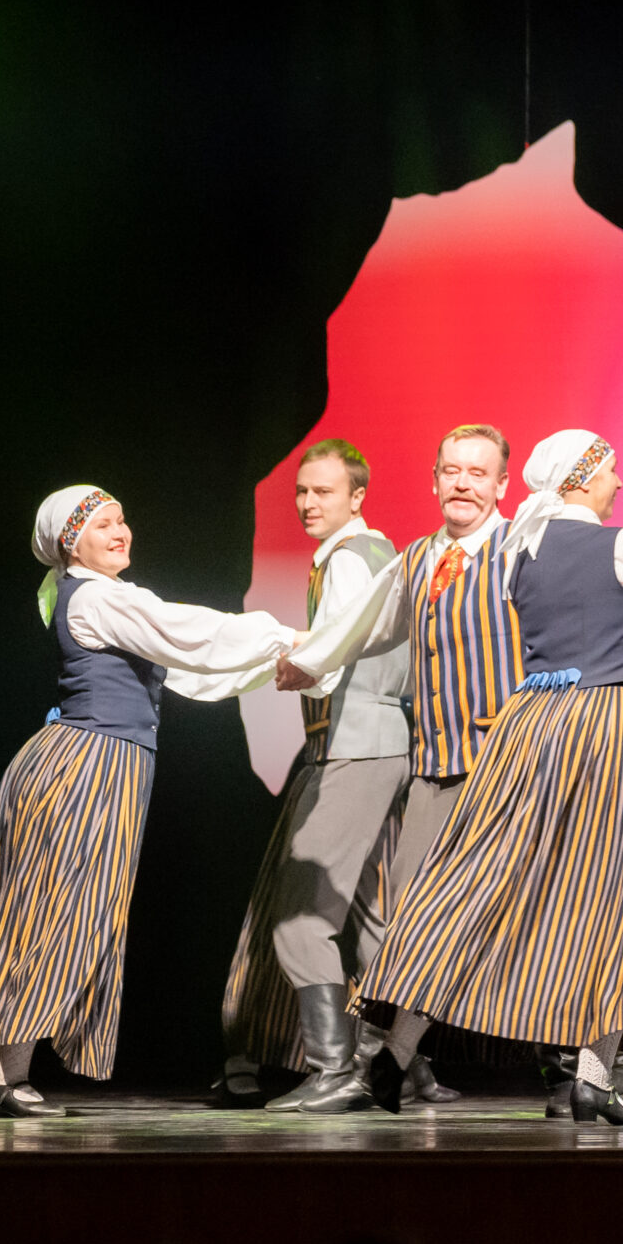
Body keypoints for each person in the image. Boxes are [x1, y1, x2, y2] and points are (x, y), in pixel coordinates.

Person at [342, 430, 623, 1123]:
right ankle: (593, 1079)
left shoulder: (518, 551)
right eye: (611, 470)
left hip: (531, 723)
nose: (621, 483)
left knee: (477, 882)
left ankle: (393, 1055)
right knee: (619, 895)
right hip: (609, 725)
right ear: (583, 477)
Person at [0, 486, 325, 1115]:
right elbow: (190, 632)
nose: (121, 532)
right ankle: (3, 1073)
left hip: (101, 763)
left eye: (122, 520)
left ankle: (4, 1071)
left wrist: (285, 651)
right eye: (103, 525)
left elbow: (190, 663)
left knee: (68, 912)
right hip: (86, 766)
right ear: (71, 543)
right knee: (63, 911)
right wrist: (292, 639)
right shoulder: (97, 597)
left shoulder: (106, 596)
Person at [268, 422, 524, 1107]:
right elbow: (366, 633)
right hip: (427, 762)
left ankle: (343, 1067)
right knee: (399, 921)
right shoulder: (412, 558)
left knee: (529, 919)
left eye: (477, 473)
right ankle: (393, 1065)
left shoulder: (517, 552)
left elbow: (351, 638)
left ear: (503, 484)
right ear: (433, 479)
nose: (462, 483)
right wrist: (311, 657)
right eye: (451, 470)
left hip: (476, 760)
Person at [214, 439, 417, 1112]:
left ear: (357, 496)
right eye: (301, 491)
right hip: (377, 747)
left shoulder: (352, 560)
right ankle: (395, 1066)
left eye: (323, 491)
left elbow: (334, 648)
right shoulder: (377, 554)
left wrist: (290, 658)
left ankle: (335, 1070)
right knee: (374, 919)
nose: (307, 503)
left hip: (356, 749)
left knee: (302, 919)